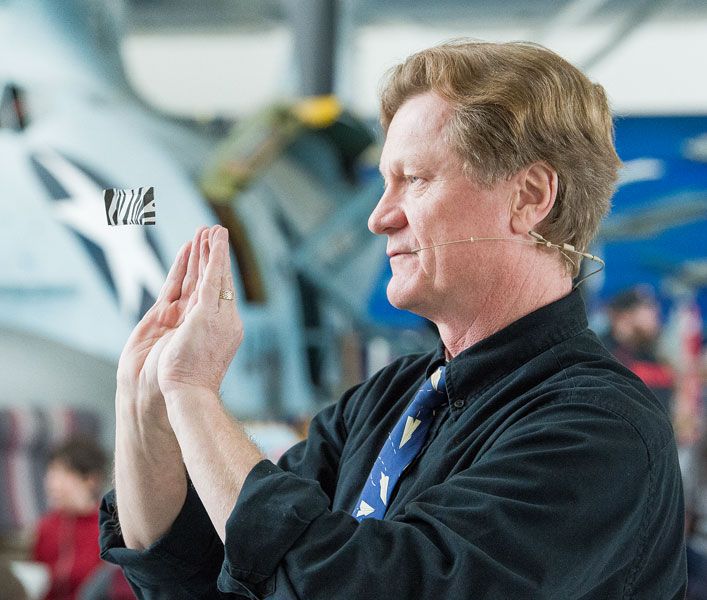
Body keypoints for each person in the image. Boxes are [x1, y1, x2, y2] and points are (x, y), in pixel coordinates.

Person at [99, 41, 687, 598]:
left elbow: (363, 587)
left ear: (529, 196)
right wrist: (143, 403)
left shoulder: (598, 429)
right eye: (385, 183)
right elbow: (199, 575)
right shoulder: (381, 404)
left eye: (415, 179)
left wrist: (196, 396)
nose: (380, 217)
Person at [32, 437, 106, 600]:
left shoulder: (108, 527)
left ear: (90, 480)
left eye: (63, 474)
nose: (52, 484)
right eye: (51, 474)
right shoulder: (46, 527)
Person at [601, 285, 675, 413]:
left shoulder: (654, 355)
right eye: (647, 307)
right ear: (624, 315)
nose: (656, 312)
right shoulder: (600, 352)